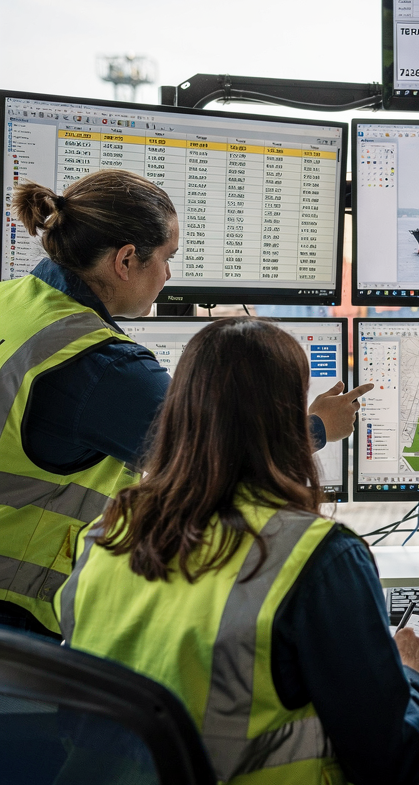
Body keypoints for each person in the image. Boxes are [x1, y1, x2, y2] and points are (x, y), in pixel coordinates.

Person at [56, 317, 419, 785]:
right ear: (289, 423)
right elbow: (391, 762)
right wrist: (409, 676)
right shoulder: (320, 559)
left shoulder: (108, 532)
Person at [0, 171, 368, 637]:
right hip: (17, 621)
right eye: (167, 258)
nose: (170, 275)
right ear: (126, 260)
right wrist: (317, 426)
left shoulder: (10, 300)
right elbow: (222, 461)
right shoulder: (99, 366)